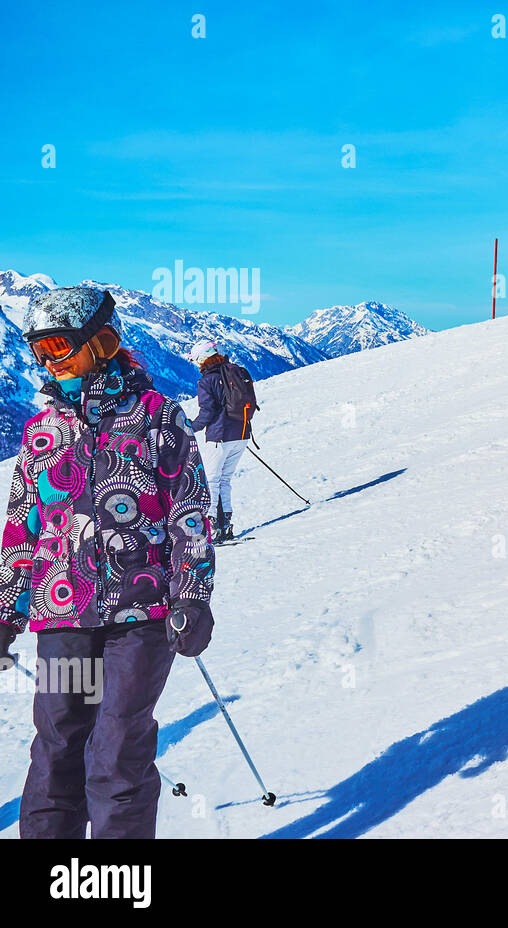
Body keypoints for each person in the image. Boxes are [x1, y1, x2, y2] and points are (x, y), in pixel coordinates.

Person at [0, 286, 215, 838]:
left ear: (104, 342)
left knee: (118, 752)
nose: (47, 361)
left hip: (140, 615)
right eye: (38, 351)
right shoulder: (41, 432)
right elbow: (21, 529)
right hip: (61, 613)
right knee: (56, 750)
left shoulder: (157, 418)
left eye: (57, 347)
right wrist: (6, 611)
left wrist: (192, 593)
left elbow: (189, 511)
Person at [188, 339, 256, 542]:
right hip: (242, 433)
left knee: (211, 481)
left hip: (219, 437)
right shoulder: (237, 372)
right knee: (225, 480)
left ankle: (213, 529)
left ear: (202, 359)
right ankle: (226, 527)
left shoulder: (207, 381)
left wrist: (191, 427)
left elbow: (207, 411)